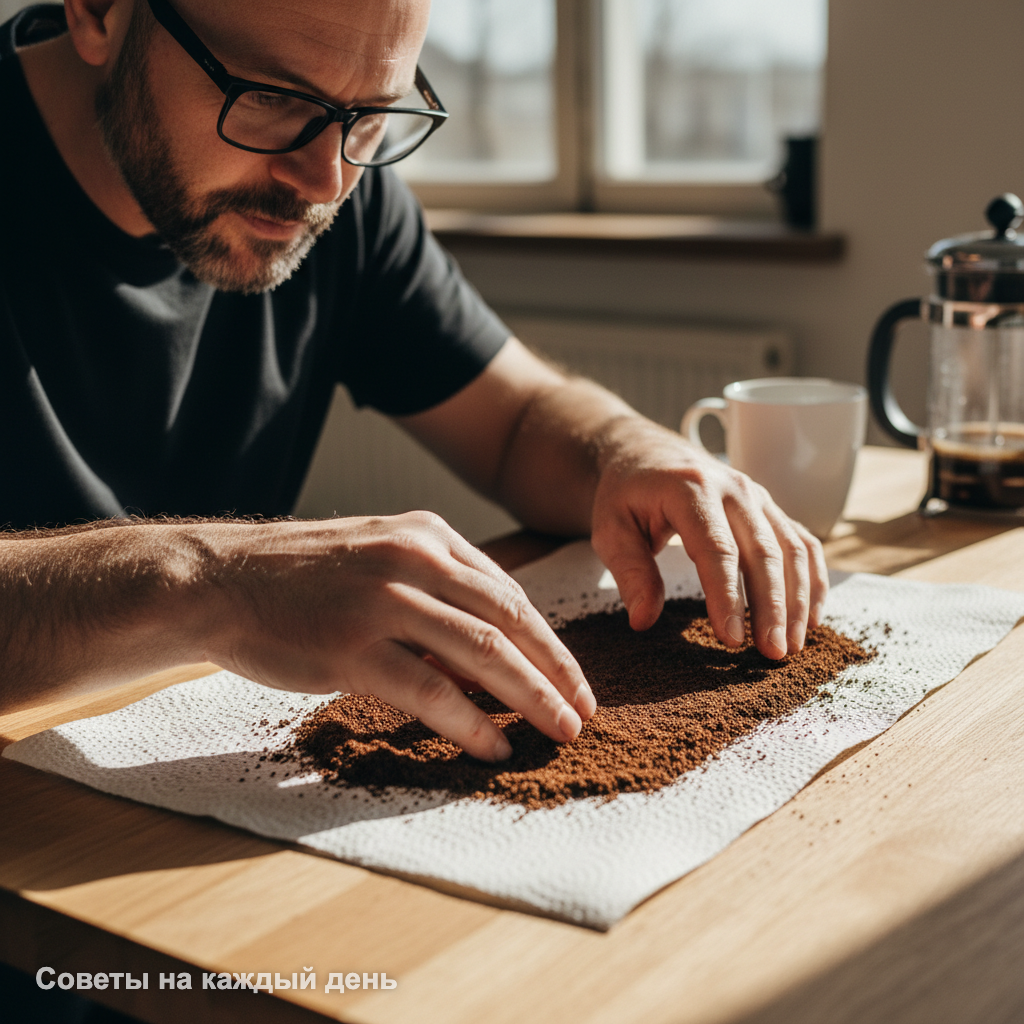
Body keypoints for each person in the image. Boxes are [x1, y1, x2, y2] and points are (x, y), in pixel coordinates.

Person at [0, 0, 828, 765]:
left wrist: (624, 450)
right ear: (97, 11)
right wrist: (211, 586)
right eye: (269, 98)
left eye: (371, 116)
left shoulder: (337, 193)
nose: (326, 180)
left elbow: (515, 422)